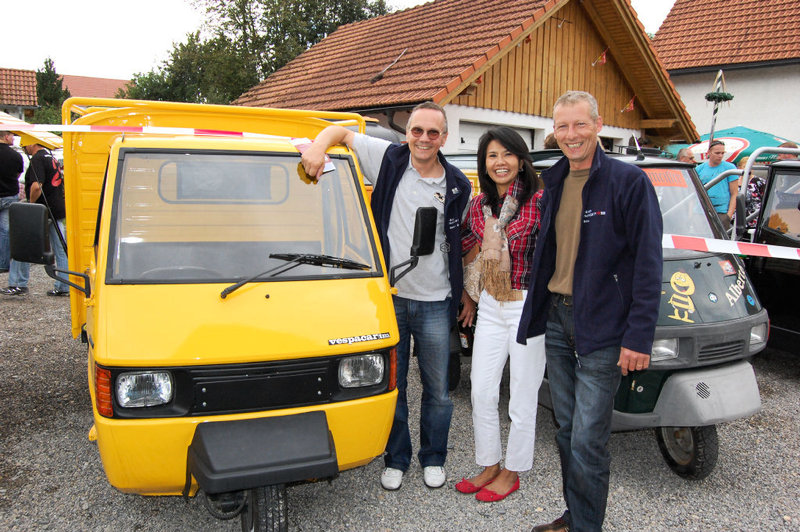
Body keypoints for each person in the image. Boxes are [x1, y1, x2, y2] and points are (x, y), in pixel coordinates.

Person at [300, 102, 472, 490]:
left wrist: (464, 294)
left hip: (435, 301)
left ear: (444, 138)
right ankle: (396, 458)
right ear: (406, 133)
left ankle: (434, 457)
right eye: (417, 131)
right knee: (392, 387)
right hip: (388, 298)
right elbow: (339, 132)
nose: (424, 139)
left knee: (439, 391)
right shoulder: (388, 159)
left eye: (432, 133)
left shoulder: (458, 184)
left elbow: (456, 244)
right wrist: (316, 148)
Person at [517, 91, 662, 532]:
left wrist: (638, 336)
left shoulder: (627, 182)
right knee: (565, 430)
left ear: (598, 126)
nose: (570, 135)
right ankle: (575, 516)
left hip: (603, 327)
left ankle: (586, 527)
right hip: (559, 321)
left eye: (579, 125)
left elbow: (647, 263)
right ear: (554, 132)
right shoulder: (553, 181)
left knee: (587, 440)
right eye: (562, 126)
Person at [455, 127, 545, 502]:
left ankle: (513, 470)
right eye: (492, 155)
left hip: (527, 304)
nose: (500, 162)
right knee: (482, 389)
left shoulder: (540, 201)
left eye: (508, 154)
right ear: (484, 163)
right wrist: (469, 292)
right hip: (492, 303)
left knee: (522, 396)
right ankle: (490, 463)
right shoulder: (479, 207)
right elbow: (463, 241)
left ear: (521, 159)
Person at [3, 141, 69, 297]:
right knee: (60, 249)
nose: (25, 148)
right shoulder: (50, 156)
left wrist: (30, 205)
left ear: (31, 144)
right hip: (57, 209)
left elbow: (36, 186)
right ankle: (64, 285)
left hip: (42, 210)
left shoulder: (38, 159)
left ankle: (18, 283)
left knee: (23, 244)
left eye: (25, 145)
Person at [695, 140, 737, 229]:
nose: (720, 156)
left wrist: (729, 215)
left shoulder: (730, 168)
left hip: (721, 212)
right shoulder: (699, 169)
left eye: (722, 153)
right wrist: (691, 214)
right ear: (709, 153)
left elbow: (734, 193)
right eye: (717, 153)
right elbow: (694, 193)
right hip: (701, 212)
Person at [0, 130, 24, 273]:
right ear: (6, 136)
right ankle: (3, 263)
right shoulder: (15, 155)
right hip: (9, 195)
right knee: (5, 230)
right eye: (12, 135)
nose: (14, 138)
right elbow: (18, 173)